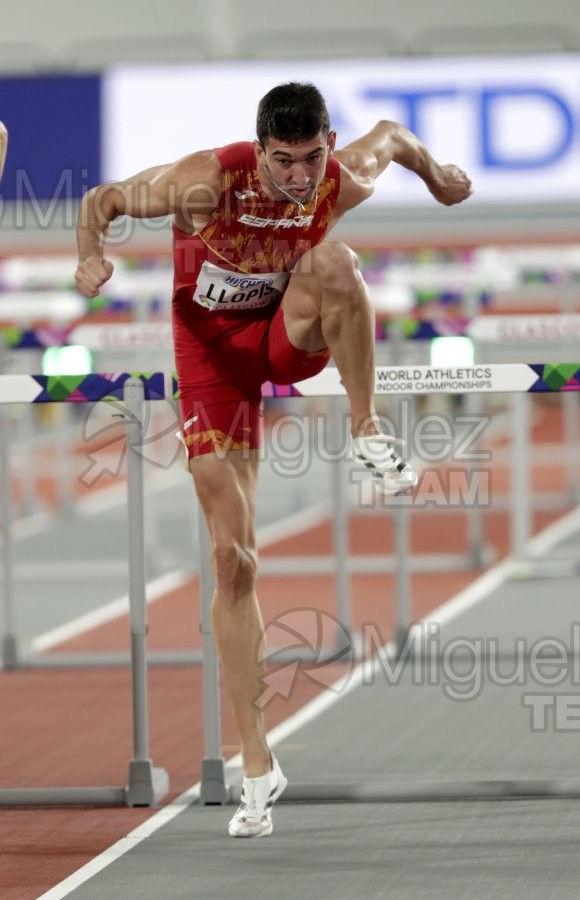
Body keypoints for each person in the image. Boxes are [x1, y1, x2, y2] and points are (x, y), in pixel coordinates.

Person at [75, 82, 472, 838]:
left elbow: (392, 135)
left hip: (286, 335)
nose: (298, 177)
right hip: (213, 363)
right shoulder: (202, 183)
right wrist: (91, 257)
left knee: (334, 262)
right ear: (259, 153)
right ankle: (259, 764)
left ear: (325, 145)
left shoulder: (337, 179)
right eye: (283, 162)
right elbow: (101, 199)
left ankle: (367, 431)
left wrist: (440, 174)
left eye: (311, 159)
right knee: (234, 561)